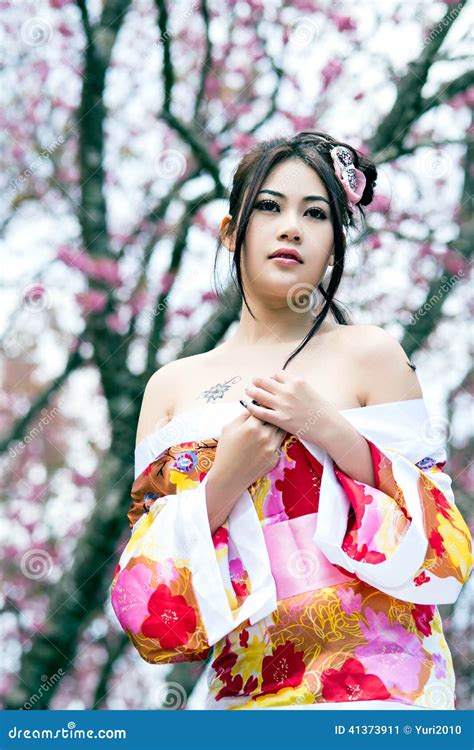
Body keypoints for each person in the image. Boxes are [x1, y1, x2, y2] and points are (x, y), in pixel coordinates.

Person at [110, 132, 472, 710]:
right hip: (243, 700)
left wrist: (333, 431)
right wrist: (225, 478)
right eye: (269, 207)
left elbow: (447, 552)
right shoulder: (172, 388)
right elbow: (147, 612)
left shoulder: (373, 356)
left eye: (316, 213)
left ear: (335, 241)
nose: (291, 227)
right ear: (232, 232)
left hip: (385, 698)